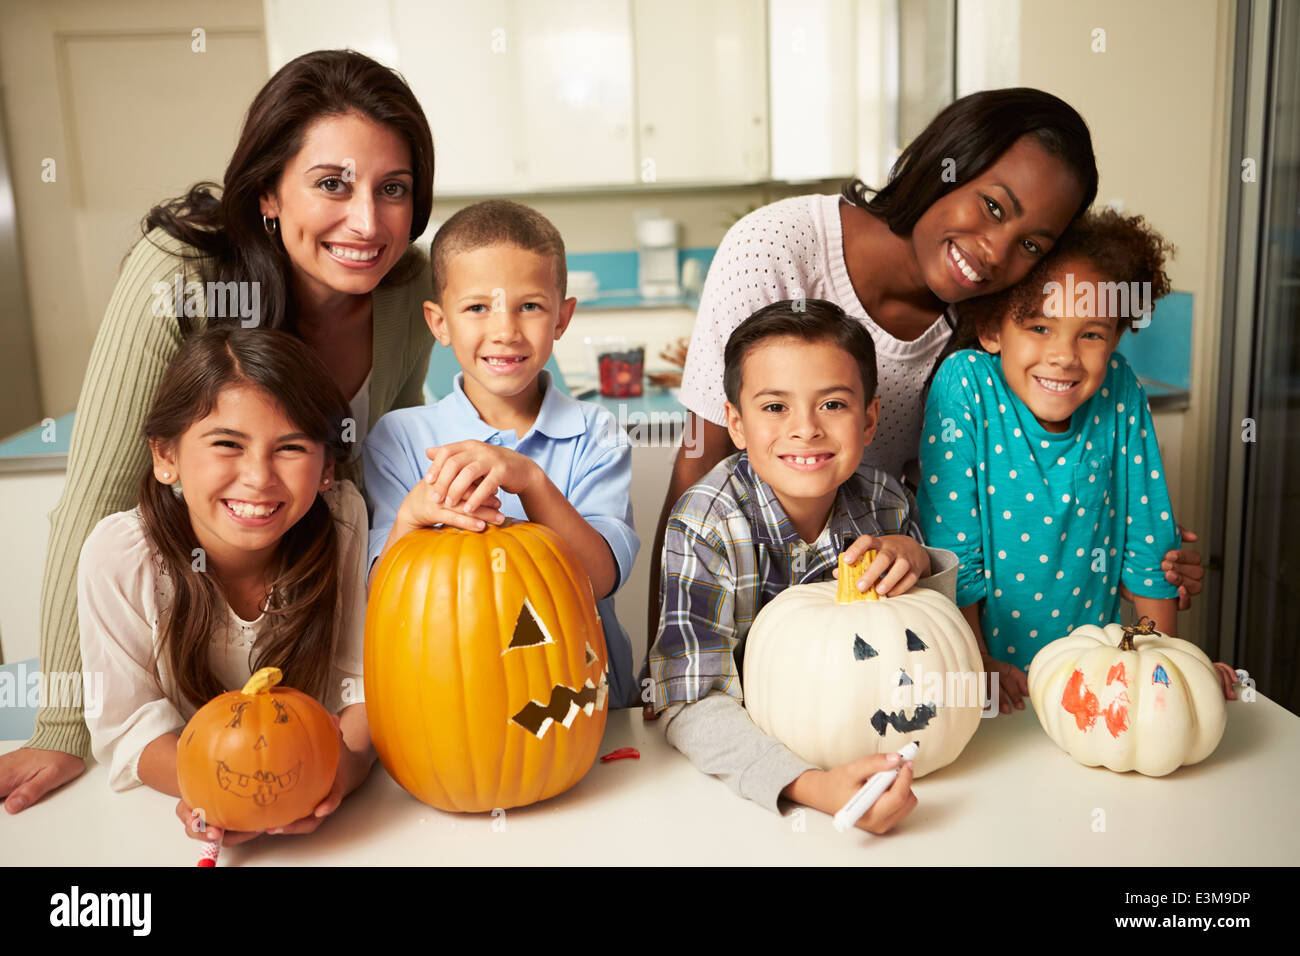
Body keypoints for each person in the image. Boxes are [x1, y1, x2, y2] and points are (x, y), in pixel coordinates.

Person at [2, 49, 438, 814]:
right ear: (269, 192)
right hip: (187, 667)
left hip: (305, 646)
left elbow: (374, 476)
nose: (368, 222)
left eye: (393, 189)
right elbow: (98, 497)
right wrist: (65, 723)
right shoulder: (183, 274)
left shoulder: (408, 292)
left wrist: (365, 720)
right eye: (332, 183)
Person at [644, 88, 1205, 664]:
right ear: (947, 160)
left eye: (1030, 243)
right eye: (993, 207)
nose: (993, 252)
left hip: (881, 608)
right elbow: (698, 457)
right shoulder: (774, 248)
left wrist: (1130, 539)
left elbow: (982, 481)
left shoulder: (988, 310)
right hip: (749, 604)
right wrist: (664, 668)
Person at [645, 300, 960, 832]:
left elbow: (934, 652)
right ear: (736, 424)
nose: (806, 429)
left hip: (879, 747)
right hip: (746, 778)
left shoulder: (886, 504)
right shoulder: (707, 524)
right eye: (775, 408)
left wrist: (921, 558)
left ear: (869, 420)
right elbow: (689, 702)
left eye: (833, 404)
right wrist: (812, 786)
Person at [917, 209, 1239, 712]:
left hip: (1098, 684)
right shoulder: (966, 385)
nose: (1065, 355)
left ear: (1117, 334)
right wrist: (977, 666)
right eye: (1040, 327)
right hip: (989, 681)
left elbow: (1148, 546)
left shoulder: (1120, 387)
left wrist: (1167, 667)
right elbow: (953, 553)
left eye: (1091, 333)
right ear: (992, 329)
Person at [79, 327, 374, 846]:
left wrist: (339, 774)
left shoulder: (343, 519)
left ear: (327, 467)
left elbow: (361, 684)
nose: (259, 477)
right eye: (227, 444)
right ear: (165, 456)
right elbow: (129, 726)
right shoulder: (121, 555)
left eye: (291, 447)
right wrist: (213, 794)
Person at [364, 200, 640, 706]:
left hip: (582, 702)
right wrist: (411, 517)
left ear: (563, 317)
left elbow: (597, 580)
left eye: (530, 306)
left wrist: (531, 481)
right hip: (449, 702)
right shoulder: (399, 439)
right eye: (477, 308)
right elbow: (383, 600)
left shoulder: (598, 434)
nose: (505, 330)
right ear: (438, 322)